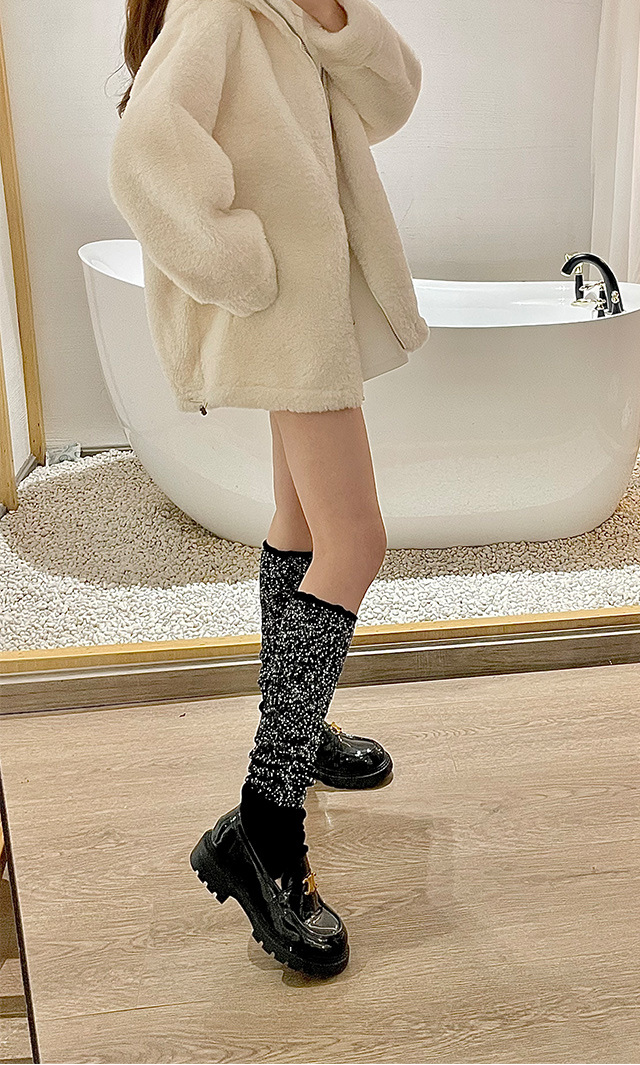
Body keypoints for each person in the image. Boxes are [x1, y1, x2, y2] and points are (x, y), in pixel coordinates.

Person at [107, 0, 429, 977]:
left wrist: (335, 16)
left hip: (308, 310)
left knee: (302, 519)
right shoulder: (218, 9)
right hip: (285, 311)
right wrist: (247, 269)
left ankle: (300, 719)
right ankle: (264, 818)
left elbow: (390, 101)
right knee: (355, 541)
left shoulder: (293, 14)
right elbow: (143, 155)